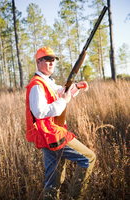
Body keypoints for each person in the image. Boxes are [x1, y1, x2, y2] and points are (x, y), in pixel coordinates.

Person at [26, 47, 96, 200]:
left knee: (53, 181)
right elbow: (39, 112)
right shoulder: (37, 84)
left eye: (53, 60)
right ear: (38, 62)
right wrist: (63, 101)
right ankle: (74, 197)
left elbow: (60, 92)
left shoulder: (47, 81)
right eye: (47, 60)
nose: (51, 63)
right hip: (52, 134)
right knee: (88, 158)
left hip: (47, 136)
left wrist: (75, 87)